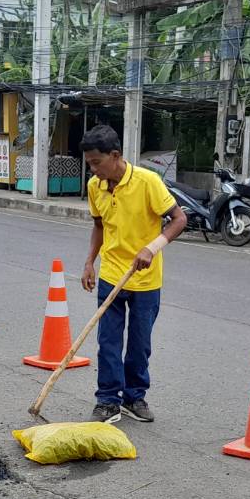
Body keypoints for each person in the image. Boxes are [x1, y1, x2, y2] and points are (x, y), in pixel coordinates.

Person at [79, 124, 187, 424]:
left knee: (140, 344)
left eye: (97, 163)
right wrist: (90, 261)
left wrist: (153, 247)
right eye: (89, 163)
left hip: (145, 279)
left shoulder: (147, 181)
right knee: (108, 342)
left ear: (115, 155)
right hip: (112, 273)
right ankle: (107, 401)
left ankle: (134, 397)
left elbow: (179, 219)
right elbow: (99, 225)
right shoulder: (95, 187)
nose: (93, 169)